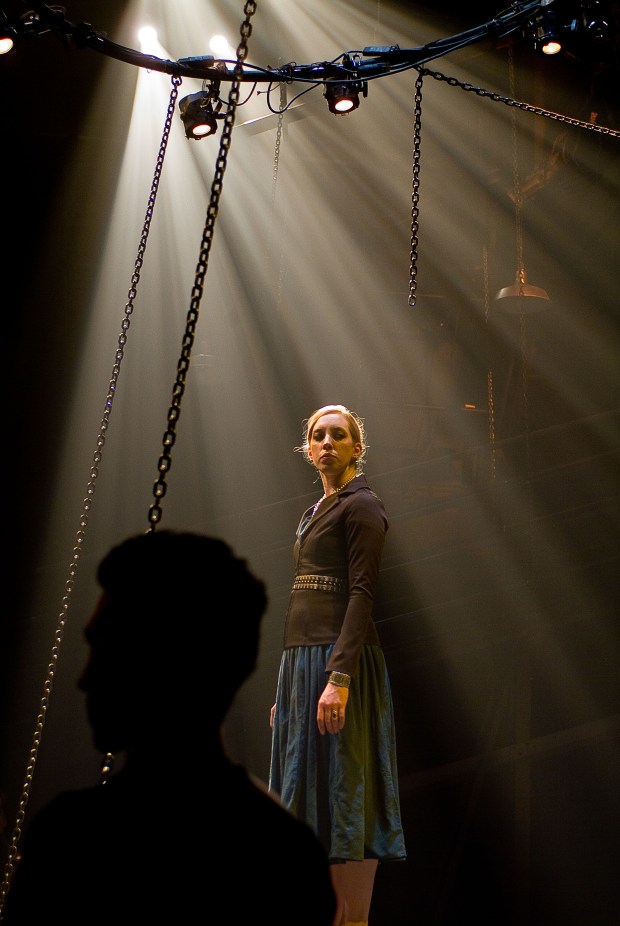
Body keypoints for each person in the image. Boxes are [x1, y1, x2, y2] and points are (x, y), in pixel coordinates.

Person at [2, 529, 337, 926]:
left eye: (108, 653)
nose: (84, 678)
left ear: (163, 664)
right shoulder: (286, 856)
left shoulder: (69, 843)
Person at [269, 405, 406, 926]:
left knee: (345, 788)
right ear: (308, 448)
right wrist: (289, 693)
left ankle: (353, 917)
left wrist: (338, 678)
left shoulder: (362, 505)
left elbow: (362, 594)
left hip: (338, 664)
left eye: (339, 435)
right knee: (307, 801)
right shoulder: (314, 511)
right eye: (318, 435)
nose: (327, 442)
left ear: (356, 447)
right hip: (303, 665)